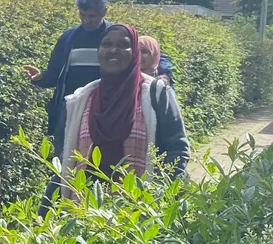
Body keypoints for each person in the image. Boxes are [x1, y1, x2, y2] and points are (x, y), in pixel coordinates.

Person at [55, 24, 190, 198]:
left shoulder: (157, 94)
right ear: (99, 51)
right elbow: (63, 154)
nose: (113, 50)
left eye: (122, 45)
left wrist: (158, 198)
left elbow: (177, 149)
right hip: (86, 213)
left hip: (141, 213)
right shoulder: (80, 100)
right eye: (106, 44)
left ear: (134, 52)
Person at [23, 0, 114, 139]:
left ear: (104, 12)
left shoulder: (115, 36)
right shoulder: (68, 38)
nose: (86, 20)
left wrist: (160, 71)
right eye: (82, 15)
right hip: (70, 109)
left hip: (105, 109)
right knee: (65, 155)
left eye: (92, 16)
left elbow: (149, 54)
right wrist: (41, 77)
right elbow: (55, 73)